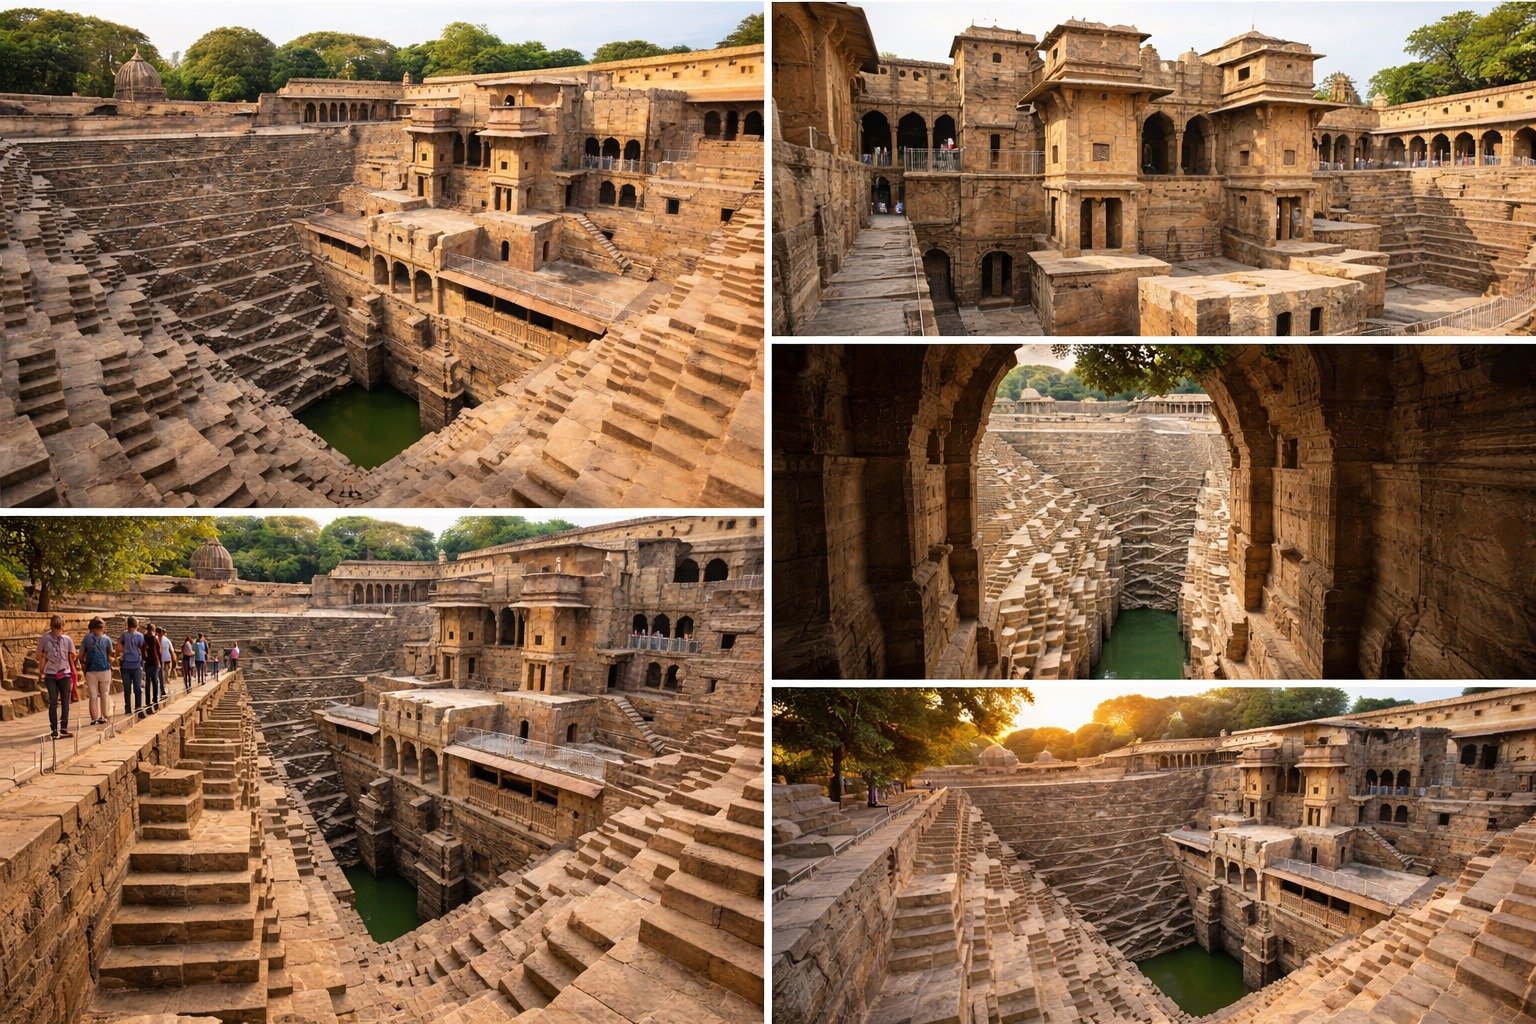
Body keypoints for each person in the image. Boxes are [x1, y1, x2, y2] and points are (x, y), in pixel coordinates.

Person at [36, 615, 77, 738]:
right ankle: (54, 729)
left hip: (64, 673)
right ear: (51, 627)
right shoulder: (45, 639)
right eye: (56, 629)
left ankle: (63, 727)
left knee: (65, 701)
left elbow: (73, 655)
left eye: (60, 629)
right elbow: (38, 655)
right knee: (53, 701)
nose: (58, 632)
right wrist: (46, 656)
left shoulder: (67, 639)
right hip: (51, 674)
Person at [80, 617, 114, 726]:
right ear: (102, 628)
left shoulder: (86, 638)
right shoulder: (106, 639)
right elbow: (111, 653)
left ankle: (94, 718)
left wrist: (83, 665)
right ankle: (105, 716)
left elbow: (81, 655)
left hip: (91, 670)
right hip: (104, 669)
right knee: (104, 694)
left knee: (93, 695)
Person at [118, 616, 146, 717]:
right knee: (137, 688)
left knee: (128, 688)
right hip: (135, 664)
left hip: (127, 664)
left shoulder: (124, 635)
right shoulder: (139, 636)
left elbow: (119, 646)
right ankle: (138, 707)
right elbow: (141, 647)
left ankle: (128, 708)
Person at [141, 622, 160, 712]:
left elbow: (142, 649)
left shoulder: (143, 638)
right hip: (155, 662)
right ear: (153, 630)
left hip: (148, 662)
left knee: (148, 683)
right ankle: (155, 700)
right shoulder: (155, 638)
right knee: (155, 682)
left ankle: (148, 701)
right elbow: (159, 649)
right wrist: (159, 661)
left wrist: (145, 658)